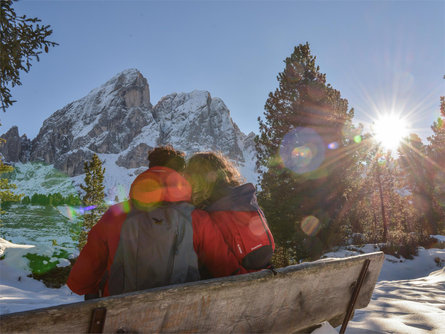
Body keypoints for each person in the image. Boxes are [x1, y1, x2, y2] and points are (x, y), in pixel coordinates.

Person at [67, 146, 241, 298]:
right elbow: (228, 271)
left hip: (120, 320)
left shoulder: (115, 214)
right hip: (181, 320)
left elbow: (78, 283)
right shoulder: (197, 218)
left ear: (149, 169)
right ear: (179, 175)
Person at [185, 152, 275, 277]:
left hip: (233, 287)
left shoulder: (204, 214)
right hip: (264, 275)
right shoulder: (246, 200)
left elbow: (222, 266)